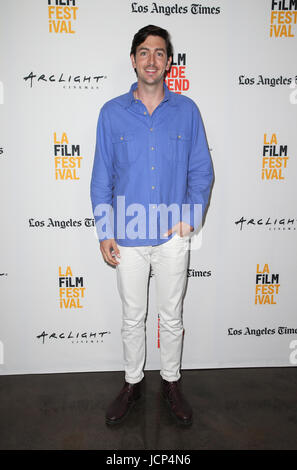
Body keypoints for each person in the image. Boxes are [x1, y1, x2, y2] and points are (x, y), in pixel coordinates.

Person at [90, 25, 213, 426]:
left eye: (159, 53)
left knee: (172, 316)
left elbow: (201, 171)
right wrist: (105, 232)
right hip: (126, 237)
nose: (151, 60)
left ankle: (171, 383)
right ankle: (132, 383)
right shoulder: (111, 113)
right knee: (131, 317)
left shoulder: (187, 110)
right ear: (133, 59)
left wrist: (189, 220)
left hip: (172, 237)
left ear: (169, 62)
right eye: (144, 52)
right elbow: (100, 178)